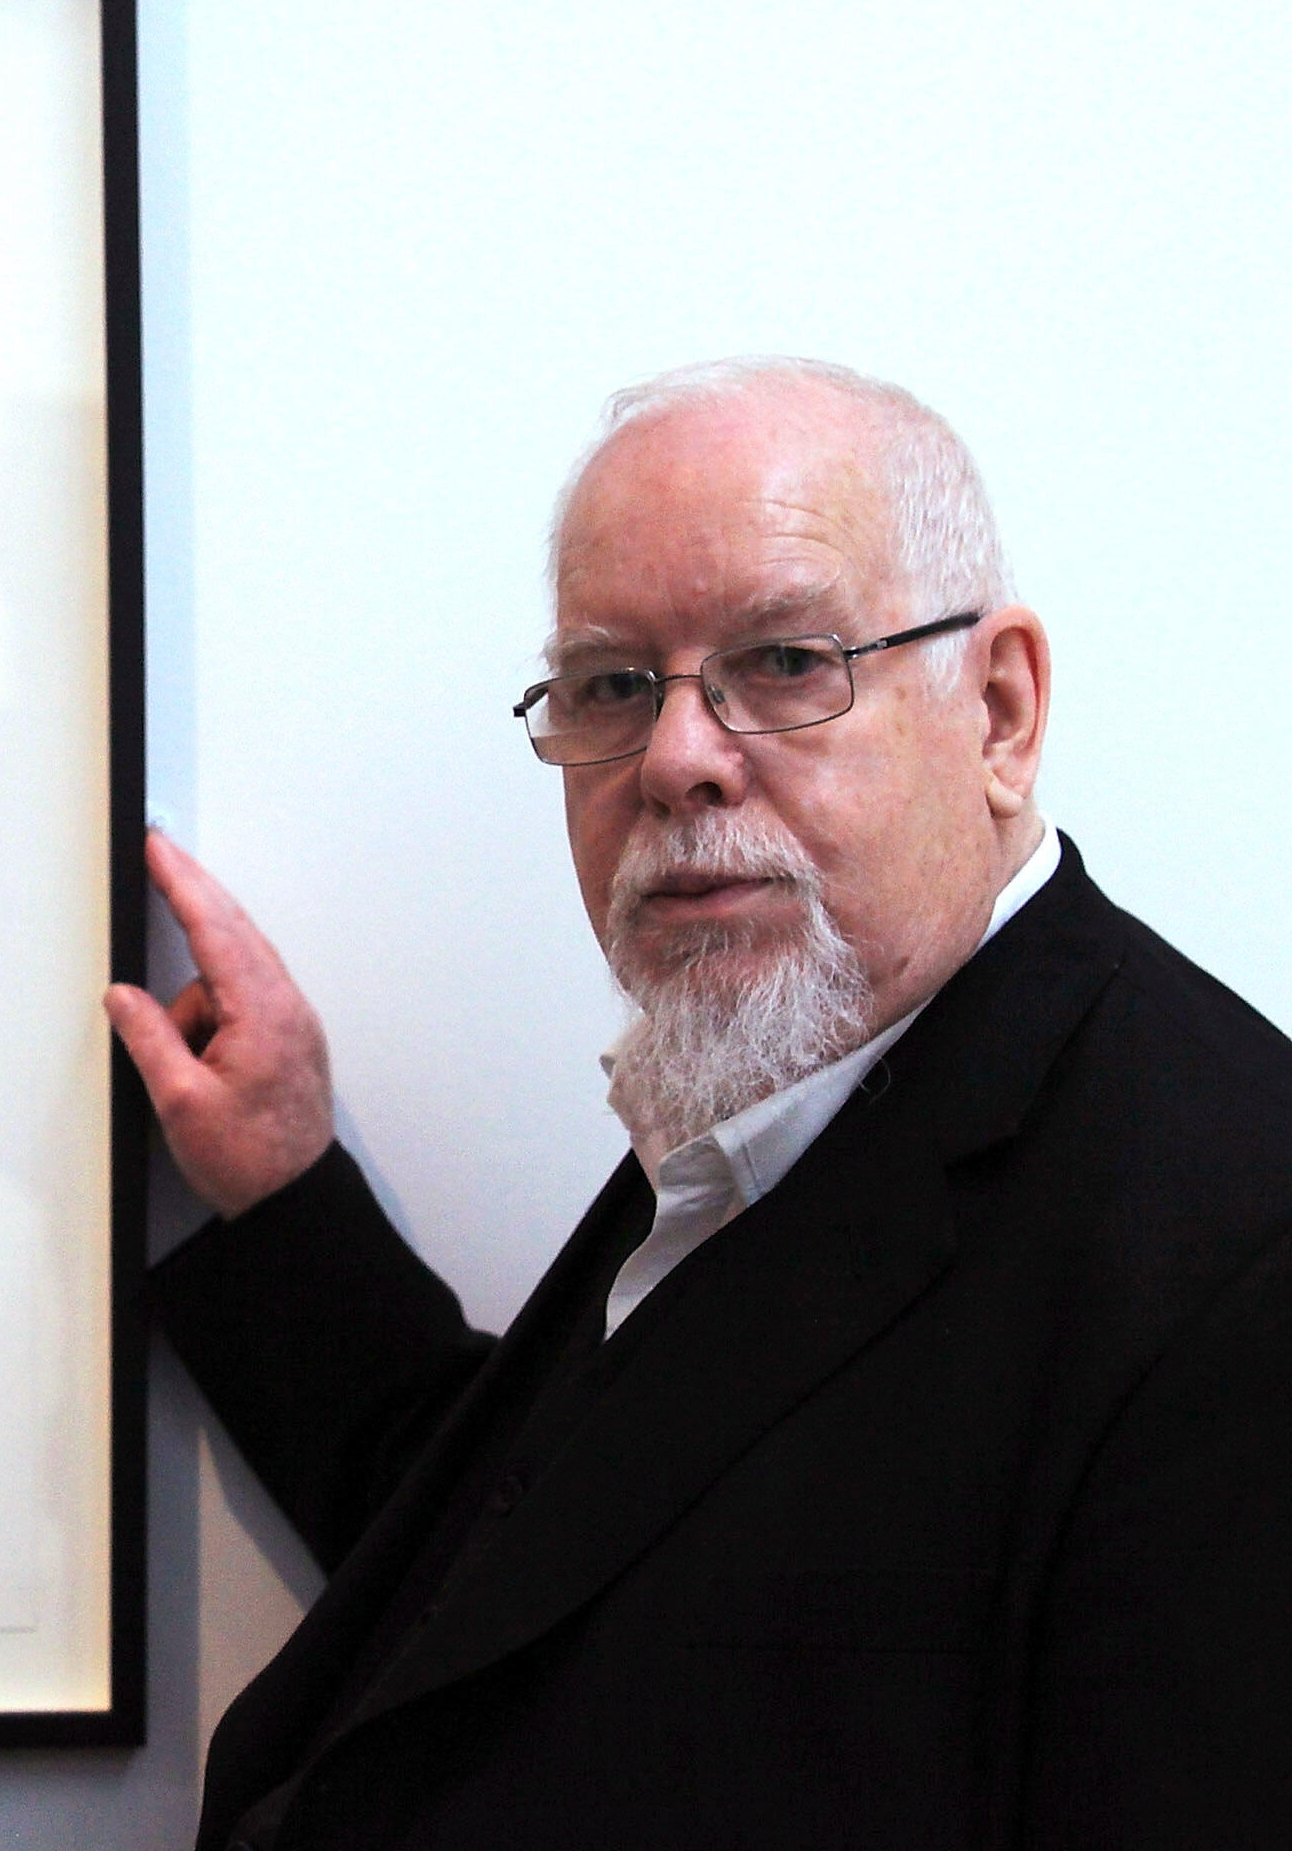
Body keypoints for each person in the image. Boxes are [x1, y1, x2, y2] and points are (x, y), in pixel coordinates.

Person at [109, 357, 1292, 1849]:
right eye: (611, 684)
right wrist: (286, 1195)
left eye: (788, 661)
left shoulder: (1237, 1260)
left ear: (998, 711)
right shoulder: (787, 1087)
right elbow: (553, 1588)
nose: (675, 760)